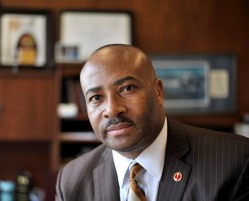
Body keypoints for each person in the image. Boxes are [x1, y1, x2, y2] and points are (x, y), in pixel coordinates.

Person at [55, 44, 249, 201]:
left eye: (127, 88)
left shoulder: (234, 162)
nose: (112, 109)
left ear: (158, 92)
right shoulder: (71, 181)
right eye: (96, 98)